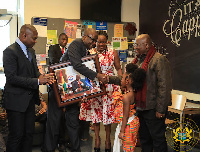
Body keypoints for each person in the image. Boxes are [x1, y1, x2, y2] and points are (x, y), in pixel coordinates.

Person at [3, 24, 54, 152]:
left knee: (28, 135)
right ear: (24, 35)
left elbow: (34, 72)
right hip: (16, 102)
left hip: (30, 101)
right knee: (16, 136)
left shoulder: (31, 51)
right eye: (34, 38)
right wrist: (37, 80)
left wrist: (44, 77)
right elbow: (12, 78)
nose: (36, 41)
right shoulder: (9, 51)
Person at [61, 28, 107, 152]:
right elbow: (77, 66)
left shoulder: (86, 50)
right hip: (63, 88)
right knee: (67, 120)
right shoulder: (76, 44)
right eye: (93, 40)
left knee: (73, 120)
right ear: (84, 37)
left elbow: (82, 72)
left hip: (74, 90)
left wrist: (85, 91)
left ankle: (72, 146)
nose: (95, 43)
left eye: (96, 41)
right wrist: (97, 76)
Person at [79, 31, 122, 152]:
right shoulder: (90, 53)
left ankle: (108, 140)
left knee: (108, 116)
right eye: (99, 41)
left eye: (103, 42)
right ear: (95, 41)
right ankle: (97, 139)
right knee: (96, 116)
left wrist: (121, 82)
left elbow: (118, 69)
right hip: (94, 88)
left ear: (107, 42)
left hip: (109, 88)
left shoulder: (113, 53)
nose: (101, 44)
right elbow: (84, 71)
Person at [133, 34, 172, 152]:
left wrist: (160, 109)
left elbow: (164, 86)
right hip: (141, 108)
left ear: (146, 45)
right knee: (145, 139)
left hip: (153, 109)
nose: (135, 47)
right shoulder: (140, 59)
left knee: (158, 140)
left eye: (137, 45)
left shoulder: (159, 59)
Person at [113, 63, 146, 152]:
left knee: (127, 148)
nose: (121, 80)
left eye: (123, 78)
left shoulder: (126, 97)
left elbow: (125, 116)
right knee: (130, 146)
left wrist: (122, 131)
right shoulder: (134, 93)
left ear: (128, 81)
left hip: (128, 124)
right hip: (133, 122)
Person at [44, 33, 68, 152]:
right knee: (54, 118)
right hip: (54, 86)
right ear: (59, 39)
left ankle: (62, 142)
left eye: (66, 40)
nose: (64, 41)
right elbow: (53, 63)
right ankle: (51, 145)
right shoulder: (53, 48)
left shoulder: (68, 50)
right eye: (63, 39)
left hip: (65, 86)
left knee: (63, 118)